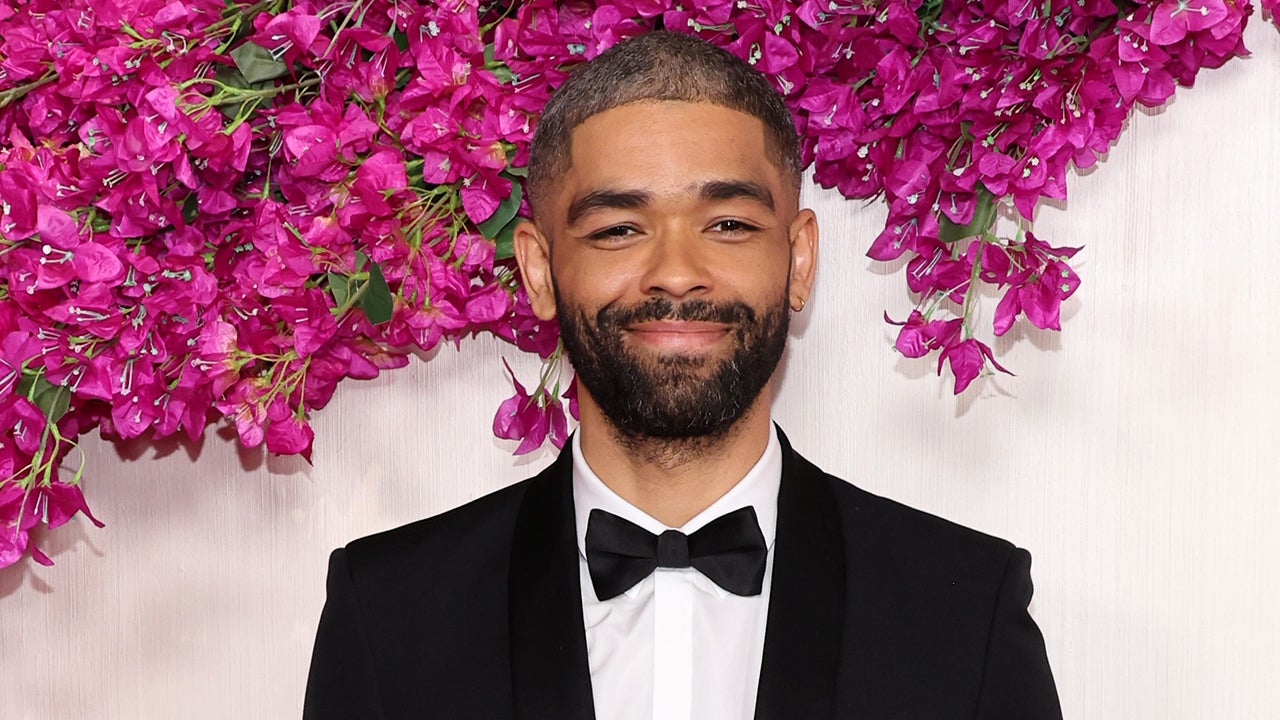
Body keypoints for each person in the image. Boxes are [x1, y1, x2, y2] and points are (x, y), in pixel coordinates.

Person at [303, 31, 1062, 720]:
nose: (675, 274)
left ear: (799, 259)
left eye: (728, 224)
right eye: (617, 229)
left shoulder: (967, 612)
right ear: (539, 268)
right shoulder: (388, 614)